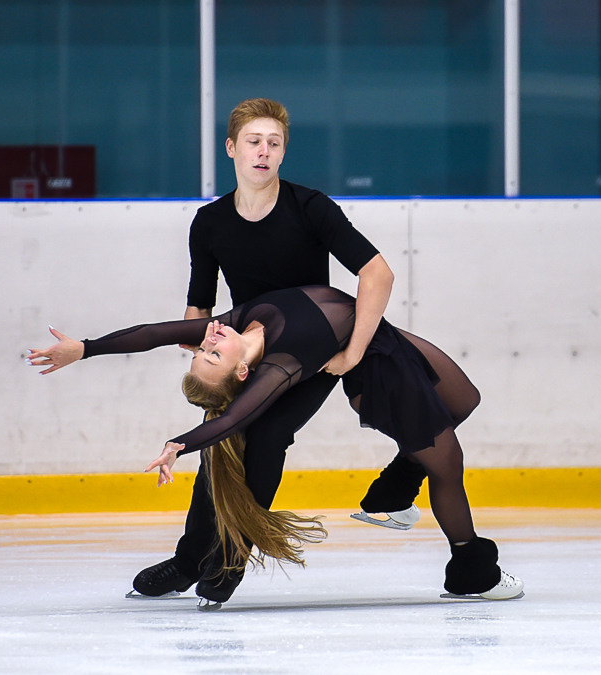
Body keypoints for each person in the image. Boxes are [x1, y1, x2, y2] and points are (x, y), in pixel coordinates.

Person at [28, 285, 524, 610]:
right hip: (375, 365)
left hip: (378, 334)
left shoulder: (229, 326)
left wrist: (85, 348)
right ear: (241, 372)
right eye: (211, 354)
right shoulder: (279, 367)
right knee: (448, 462)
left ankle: (391, 495)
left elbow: (155, 333)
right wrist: (181, 443)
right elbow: (237, 416)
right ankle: (471, 569)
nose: (207, 340)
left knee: (465, 400)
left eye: (202, 349)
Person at [133, 98, 426, 602]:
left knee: (265, 435)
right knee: (218, 444)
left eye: (274, 144)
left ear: (283, 153)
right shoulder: (209, 223)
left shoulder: (310, 207)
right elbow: (198, 305)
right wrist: (202, 349)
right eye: (253, 142)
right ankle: (188, 561)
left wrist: (352, 352)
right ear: (231, 149)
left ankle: (233, 555)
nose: (263, 152)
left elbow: (376, 273)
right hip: (247, 350)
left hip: (309, 356)